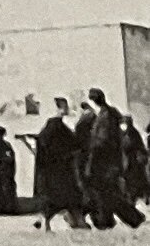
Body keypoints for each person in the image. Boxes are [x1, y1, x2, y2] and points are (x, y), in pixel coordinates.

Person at [83, 88, 145, 230]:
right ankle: (109, 220)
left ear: (93, 101)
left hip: (105, 163)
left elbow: (103, 141)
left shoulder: (105, 117)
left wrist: (90, 147)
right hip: (109, 162)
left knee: (108, 193)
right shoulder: (109, 114)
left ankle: (130, 218)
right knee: (107, 193)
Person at [34, 98, 88, 230]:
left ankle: (68, 220)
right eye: (64, 107)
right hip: (59, 169)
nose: (66, 110)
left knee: (61, 197)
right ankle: (74, 220)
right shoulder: (56, 127)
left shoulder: (53, 128)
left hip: (56, 169)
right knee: (67, 196)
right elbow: (72, 143)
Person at [120, 115, 149, 207]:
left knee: (137, 178)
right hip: (128, 160)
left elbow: (137, 146)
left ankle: (141, 196)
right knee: (130, 179)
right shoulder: (124, 133)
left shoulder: (133, 133)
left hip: (134, 160)